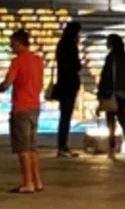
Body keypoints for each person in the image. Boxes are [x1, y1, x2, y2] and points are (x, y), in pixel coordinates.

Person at [0, 29, 46, 194]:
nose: (10, 46)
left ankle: (27, 183)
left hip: (21, 108)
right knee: (32, 147)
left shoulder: (18, 61)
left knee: (23, 148)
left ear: (19, 43)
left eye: (12, 43)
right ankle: (38, 181)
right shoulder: (38, 61)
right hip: (35, 107)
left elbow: (7, 83)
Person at [98, 34, 125, 159]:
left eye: (108, 41)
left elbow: (106, 76)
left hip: (111, 93)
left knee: (111, 123)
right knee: (123, 120)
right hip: (122, 93)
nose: (106, 44)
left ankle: (111, 149)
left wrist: (101, 92)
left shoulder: (111, 57)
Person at [51, 22, 83, 158]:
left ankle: (62, 145)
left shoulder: (61, 44)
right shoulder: (70, 45)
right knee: (66, 117)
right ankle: (62, 147)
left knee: (64, 116)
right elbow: (76, 66)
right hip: (69, 85)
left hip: (62, 84)